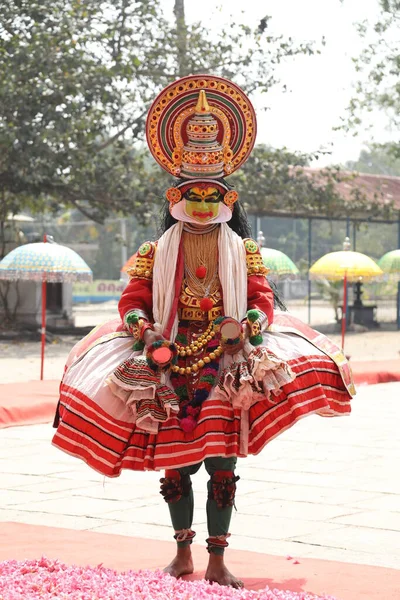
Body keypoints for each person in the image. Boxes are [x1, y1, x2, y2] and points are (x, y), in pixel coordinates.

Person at [52, 75, 355, 589]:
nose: (199, 201)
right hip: (168, 359)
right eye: (191, 192)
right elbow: (131, 302)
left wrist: (249, 327)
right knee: (175, 466)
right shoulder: (154, 251)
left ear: (226, 197)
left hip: (227, 362)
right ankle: (182, 554)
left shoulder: (243, 250)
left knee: (220, 463)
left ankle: (217, 560)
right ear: (176, 195)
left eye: (209, 193)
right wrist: (145, 334)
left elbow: (259, 298)